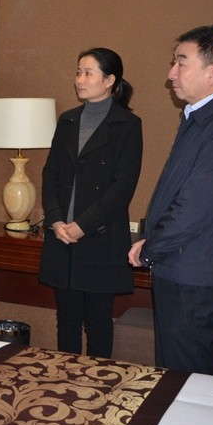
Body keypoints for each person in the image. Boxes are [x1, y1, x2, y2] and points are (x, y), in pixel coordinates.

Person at [128, 25, 213, 376]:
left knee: (190, 377)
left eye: (181, 63)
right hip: (181, 266)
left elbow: (194, 207)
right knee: (176, 373)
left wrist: (150, 248)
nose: (171, 73)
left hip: (194, 275)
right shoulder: (203, 117)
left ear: (212, 71)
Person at [39, 48, 143, 358]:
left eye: (88, 73)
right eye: (78, 72)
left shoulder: (127, 124)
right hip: (62, 238)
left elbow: (122, 187)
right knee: (67, 322)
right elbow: (50, 174)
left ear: (110, 80)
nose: (80, 80)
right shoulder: (68, 120)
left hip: (100, 237)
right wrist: (56, 220)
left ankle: (97, 384)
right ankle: (64, 381)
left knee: (98, 323)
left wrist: (83, 225)